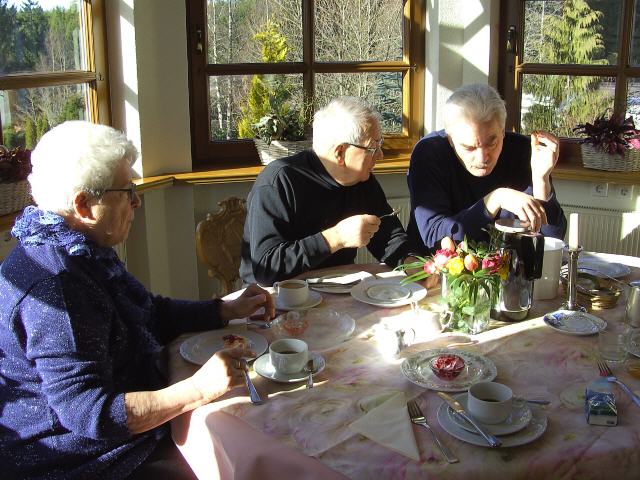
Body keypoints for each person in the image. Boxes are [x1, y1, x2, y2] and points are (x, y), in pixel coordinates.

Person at [0, 121, 275, 480]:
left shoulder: (80, 246)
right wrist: (197, 389)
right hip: (83, 462)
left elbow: (148, 311)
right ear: (83, 205)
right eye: (127, 191)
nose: (137, 201)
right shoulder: (57, 288)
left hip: (120, 431)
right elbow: (92, 414)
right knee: (241, 460)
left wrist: (224, 309)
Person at [240, 96, 422, 286]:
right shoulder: (279, 181)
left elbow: (388, 235)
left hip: (339, 288)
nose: (381, 155)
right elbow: (266, 268)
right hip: (274, 296)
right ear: (340, 152)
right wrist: (336, 238)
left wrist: (411, 263)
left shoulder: (362, 180)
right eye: (373, 147)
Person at [407, 83, 567, 251]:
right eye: (469, 147)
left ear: (503, 131)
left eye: (492, 143)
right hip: (437, 265)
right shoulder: (429, 153)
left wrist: (541, 180)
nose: (483, 158)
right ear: (450, 140)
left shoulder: (522, 151)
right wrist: (495, 199)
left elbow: (552, 241)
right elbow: (434, 237)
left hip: (505, 265)